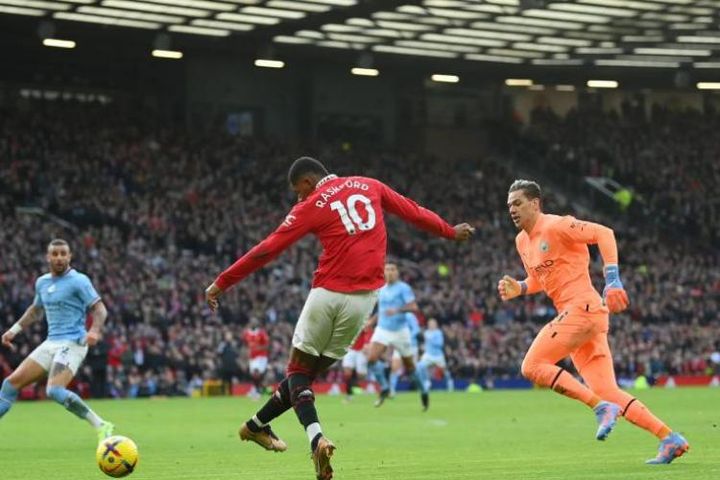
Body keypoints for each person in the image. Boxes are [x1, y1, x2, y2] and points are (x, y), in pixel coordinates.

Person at [205, 157, 474, 480]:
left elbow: (269, 248)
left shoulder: (312, 204)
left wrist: (222, 281)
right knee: (305, 377)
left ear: (307, 183)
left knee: (297, 372)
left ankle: (316, 437)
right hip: (364, 303)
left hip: (328, 293)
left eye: (297, 191)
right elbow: (412, 211)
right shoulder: (370, 185)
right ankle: (254, 426)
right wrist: (449, 231)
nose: (297, 198)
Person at [497, 179, 689, 465]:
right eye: (509, 205)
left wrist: (612, 280)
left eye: (518, 203)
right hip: (581, 315)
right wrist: (522, 288)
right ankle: (669, 439)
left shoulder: (557, 225)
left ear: (535, 204)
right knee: (607, 390)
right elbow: (540, 278)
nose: (512, 209)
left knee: (532, 366)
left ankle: (600, 408)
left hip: (582, 308)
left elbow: (604, 233)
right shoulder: (522, 241)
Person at [0, 239, 114, 441]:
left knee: (53, 390)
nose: (59, 258)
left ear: (70, 257)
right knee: (10, 384)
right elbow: (35, 311)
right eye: (55, 254)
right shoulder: (42, 282)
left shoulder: (79, 281)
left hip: (73, 343)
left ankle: (101, 425)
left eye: (63, 253)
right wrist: (13, 331)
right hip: (51, 342)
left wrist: (94, 331)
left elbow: (100, 309)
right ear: (48, 257)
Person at [366, 263, 430, 410]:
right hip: (383, 329)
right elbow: (382, 310)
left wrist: (398, 310)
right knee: (371, 359)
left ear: (397, 272)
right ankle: (384, 387)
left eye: (392, 269)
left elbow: (414, 307)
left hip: (401, 331)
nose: (389, 272)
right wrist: (371, 321)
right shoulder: (381, 288)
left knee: (410, 368)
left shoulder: (404, 288)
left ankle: (424, 390)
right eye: (387, 269)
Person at [389, 311, 421, 397]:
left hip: (411, 346)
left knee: (413, 369)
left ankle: (422, 386)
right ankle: (391, 390)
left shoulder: (409, 316)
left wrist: (408, 338)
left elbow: (416, 329)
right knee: (394, 367)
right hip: (399, 344)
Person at [418, 318, 454, 392]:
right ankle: (426, 382)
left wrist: (430, 340)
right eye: (430, 324)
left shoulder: (438, 333)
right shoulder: (426, 333)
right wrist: (423, 346)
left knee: (445, 371)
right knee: (420, 366)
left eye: (433, 324)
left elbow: (440, 344)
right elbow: (426, 343)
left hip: (438, 355)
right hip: (428, 354)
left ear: (436, 325)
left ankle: (450, 383)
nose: (431, 325)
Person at [341, 321, 372, 402]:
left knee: (361, 375)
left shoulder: (362, 320)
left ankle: (357, 387)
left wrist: (367, 344)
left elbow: (368, 332)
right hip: (350, 349)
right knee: (347, 373)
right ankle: (349, 395)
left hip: (361, 351)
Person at [242, 319, 270, 400]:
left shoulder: (261, 333)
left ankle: (256, 391)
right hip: (252, 357)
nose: (253, 323)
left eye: (255, 322)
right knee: (255, 375)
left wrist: (257, 348)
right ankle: (257, 389)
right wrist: (246, 354)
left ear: (257, 324)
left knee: (256, 373)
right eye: (252, 322)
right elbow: (245, 345)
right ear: (250, 323)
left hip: (261, 356)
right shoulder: (247, 333)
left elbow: (267, 345)